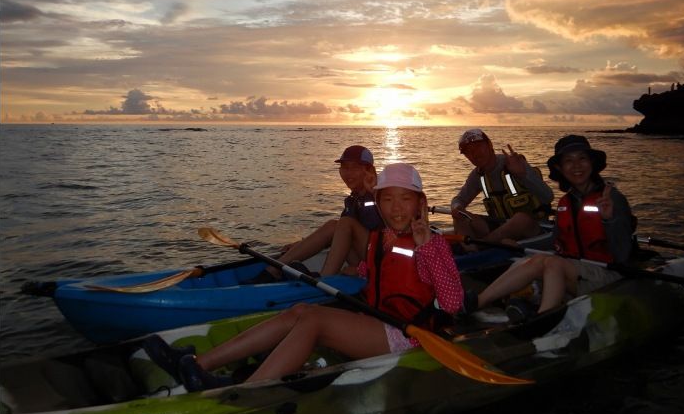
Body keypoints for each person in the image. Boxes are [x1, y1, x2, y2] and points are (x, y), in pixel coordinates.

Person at [144, 163, 464, 390]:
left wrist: (425, 250)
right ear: (378, 202)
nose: (396, 208)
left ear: (420, 203)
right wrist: (345, 270)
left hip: (410, 336)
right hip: (379, 319)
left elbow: (452, 302)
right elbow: (373, 272)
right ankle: (200, 364)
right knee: (299, 311)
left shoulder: (432, 244)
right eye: (388, 199)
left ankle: (249, 391)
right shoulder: (381, 237)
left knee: (314, 322)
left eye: (405, 198)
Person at [465, 135, 636, 320]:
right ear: (560, 168)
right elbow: (555, 239)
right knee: (529, 261)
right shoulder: (566, 201)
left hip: (606, 275)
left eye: (582, 158)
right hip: (576, 272)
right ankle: (477, 302)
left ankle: (544, 318)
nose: (576, 165)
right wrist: (520, 246)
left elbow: (622, 254)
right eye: (568, 161)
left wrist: (609, 220)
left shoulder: (612, 199)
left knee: (551, 262)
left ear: (592, 163)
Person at [269, 145, 383, 279]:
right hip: (364, 256)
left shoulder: (382, 195)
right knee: (334, 225)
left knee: (344, 223)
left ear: (370, 170)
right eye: (344, 168)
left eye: (354, 168)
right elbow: (339, 233)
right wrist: (300, 245)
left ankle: (325, 279)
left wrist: (363, 269)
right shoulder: (352, 201)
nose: (348, 173)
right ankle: (274, 268)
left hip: (382, 260)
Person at [451, 129, 553, 244]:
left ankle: (482, 247)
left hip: (535, 229)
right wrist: (457, 207)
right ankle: (472, 252)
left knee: (520, 219)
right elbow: (459, 199)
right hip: (501, 228)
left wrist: (523, 175)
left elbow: (548, 196)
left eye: (478, 147)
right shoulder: (477, 175)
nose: (475, 154)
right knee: (460, 217)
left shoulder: (513, 163)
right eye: (469, 152)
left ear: (490, 145)